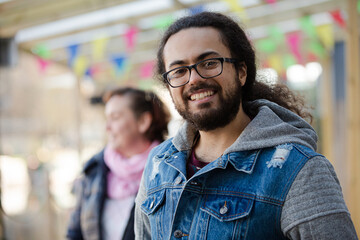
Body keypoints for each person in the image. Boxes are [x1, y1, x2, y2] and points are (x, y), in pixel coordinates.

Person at [134, 12, 358, 239]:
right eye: (179, 70)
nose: (193, 79)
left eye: (210, 63)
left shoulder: (299, 169)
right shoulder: (158, 164)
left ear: (241, 72)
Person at [66, 87, 170, 240]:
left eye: (115, 117)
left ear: (143, 121)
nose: (107, 127)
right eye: (106, 119)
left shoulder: (171, 171)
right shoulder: (93, 170)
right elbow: (75, 233)